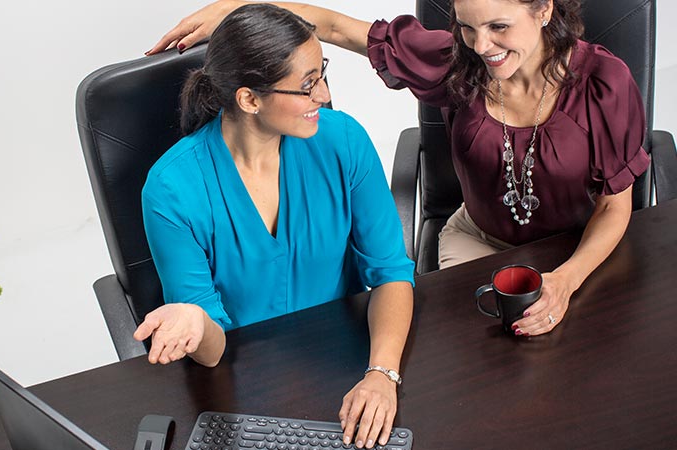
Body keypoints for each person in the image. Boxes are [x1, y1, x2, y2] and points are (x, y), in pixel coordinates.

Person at [148, 0, 650, 338]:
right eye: (467, 26)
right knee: (489, 361)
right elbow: (339, 30)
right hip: (479, 241)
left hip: (576, 249)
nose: (481, 45)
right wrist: (239, 11)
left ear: (543, 10)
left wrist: (565, 280)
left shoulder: (604, 82)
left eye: (498, 26)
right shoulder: (460, 62)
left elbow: (614, 207)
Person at [135, 4, 416, 449]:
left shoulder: (343, 140)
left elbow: (391, 272)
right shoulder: (172, 190)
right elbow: (211, 348)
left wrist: (382, 374)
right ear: (249, 99)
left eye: (321, 73)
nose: (323, 95)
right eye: (307, 86)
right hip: (241, 389)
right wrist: (193, 318)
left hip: (347, 362)